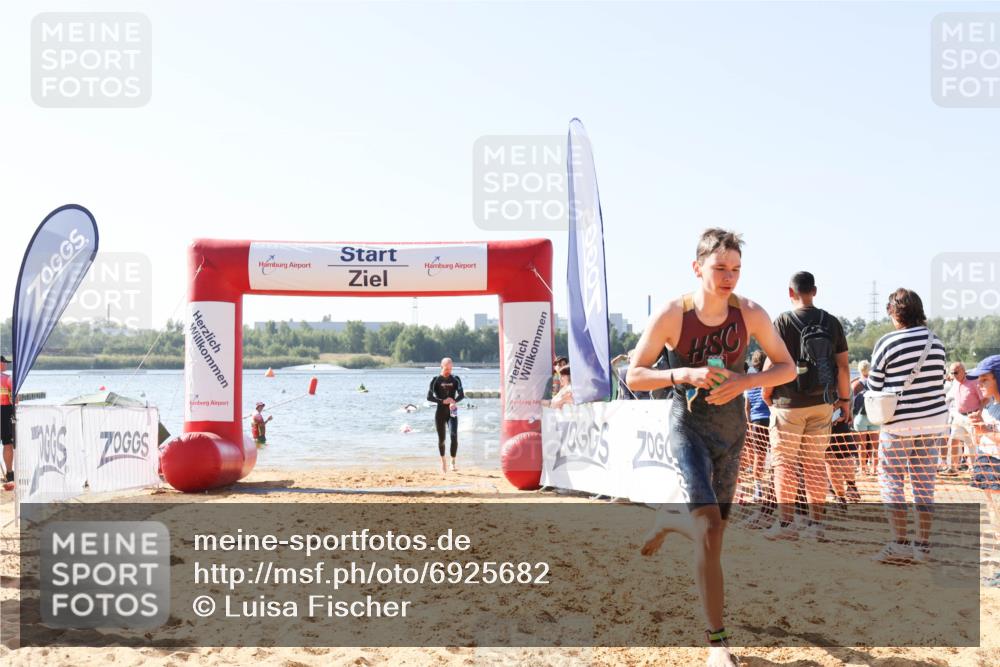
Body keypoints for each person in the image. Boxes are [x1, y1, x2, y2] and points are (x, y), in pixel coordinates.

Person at [626, 228, 796, 667]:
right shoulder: (672, 314)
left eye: (736, 269)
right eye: (720, 268)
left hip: (732, 431)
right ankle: (717, 645)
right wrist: (682, 374)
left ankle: (668, 521)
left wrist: (745, 381)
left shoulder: (752, 313)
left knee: (714, 535)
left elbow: (787, 368)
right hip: (688, 430)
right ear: (697, 266)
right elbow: (635, 375)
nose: (729, 277)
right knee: (709, 531)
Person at [761, 271, 851, 542]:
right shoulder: (831, 322)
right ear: (815, 290)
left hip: (789, 403)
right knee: (814, 464)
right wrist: (844, 401)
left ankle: (786, 524)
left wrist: (767, 394)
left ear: (791, 292)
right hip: (822, 402)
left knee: (784, 464)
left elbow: (770, 363)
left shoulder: (784, 321)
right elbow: (844, 367)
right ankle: (816, 526)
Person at [867, 288, 948, 564]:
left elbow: (874, 386)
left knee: (892, 480)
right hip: (934, 421)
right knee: (925, 483)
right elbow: (939, 381)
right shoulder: (936, 342)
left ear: (894, 312)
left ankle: (899, 543)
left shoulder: (888, 342)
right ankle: (923, 546)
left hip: (899, 423)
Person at [965, 355, 1000, 586]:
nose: (979, 384)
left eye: (985, 379)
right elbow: (983, 436)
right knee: (994, 517)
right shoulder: (991, 406)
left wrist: (984, 430)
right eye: (978, 379)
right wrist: (978, 427)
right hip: (988, 462)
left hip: (997, 464)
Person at [741, 350, 773, 528]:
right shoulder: (769, 377)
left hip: (756, 420)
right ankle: (764, 487)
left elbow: (747, 405)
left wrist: (748, 422)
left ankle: (758, 488)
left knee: (758, 456)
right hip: (770, 418)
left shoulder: (750, 381)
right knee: (774, 456)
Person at [941, 361, 985, 475]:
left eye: (956, 372)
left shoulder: (974, 382)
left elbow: (984, 399)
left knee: (974, 445)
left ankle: (976, 470)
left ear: (963, 371)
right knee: (954, 440)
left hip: (972, 416)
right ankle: (953, 468)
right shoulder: (955, 382)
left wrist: (979, 412)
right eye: (952, 373)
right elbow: (948, 392)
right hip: (959, 416)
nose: (954, 375)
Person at [427, 357, 465, 473]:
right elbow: (429, 397)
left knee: (454, 436)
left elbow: (461, 394)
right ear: (441, 367)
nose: (449, 371)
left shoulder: (455, 379)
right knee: (442, 439)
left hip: (452, 411)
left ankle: (453, 462)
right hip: (440, 413)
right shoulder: (436, 380)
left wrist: (454, 401)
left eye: (450, 368)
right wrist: (442, 401)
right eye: (446, 368)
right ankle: (443, 461)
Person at [852, 360, 878, 476]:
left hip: (860, 417)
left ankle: (862, 469)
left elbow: (851, 402)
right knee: (876, 445)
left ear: (859, 370)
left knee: (861, 445)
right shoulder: (875, 383)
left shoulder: (856, 384)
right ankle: (875, 469)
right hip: (874, 416)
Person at [1, 356, 13, 490]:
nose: (6, 365)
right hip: (4, 410)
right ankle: (9, 473)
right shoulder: (7, 378)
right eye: (5, 363)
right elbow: (15, 399)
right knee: (7, 443)